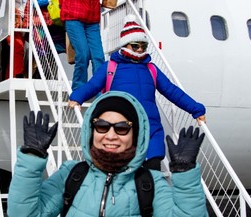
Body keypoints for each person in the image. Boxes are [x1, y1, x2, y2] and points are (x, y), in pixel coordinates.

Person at [7, 91, 208, 216]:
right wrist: (32, 158)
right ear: (91, 131)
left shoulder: (150, 183)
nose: (111, 135)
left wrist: (185, 175)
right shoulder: (72, 174)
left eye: (122, 128)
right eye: (102, 126)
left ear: (135, 135)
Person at [68, 15, 206, 170]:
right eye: (135, 45)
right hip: (123, 129)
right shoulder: (110, 67)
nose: (140, 49)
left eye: (143, 46)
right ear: (125, 45)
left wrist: (195, 109)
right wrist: (77, 97)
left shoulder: (151, 69)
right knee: (125, 173)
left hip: (151, 128)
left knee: (153, 170)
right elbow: (92, 85)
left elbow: (172, 91)